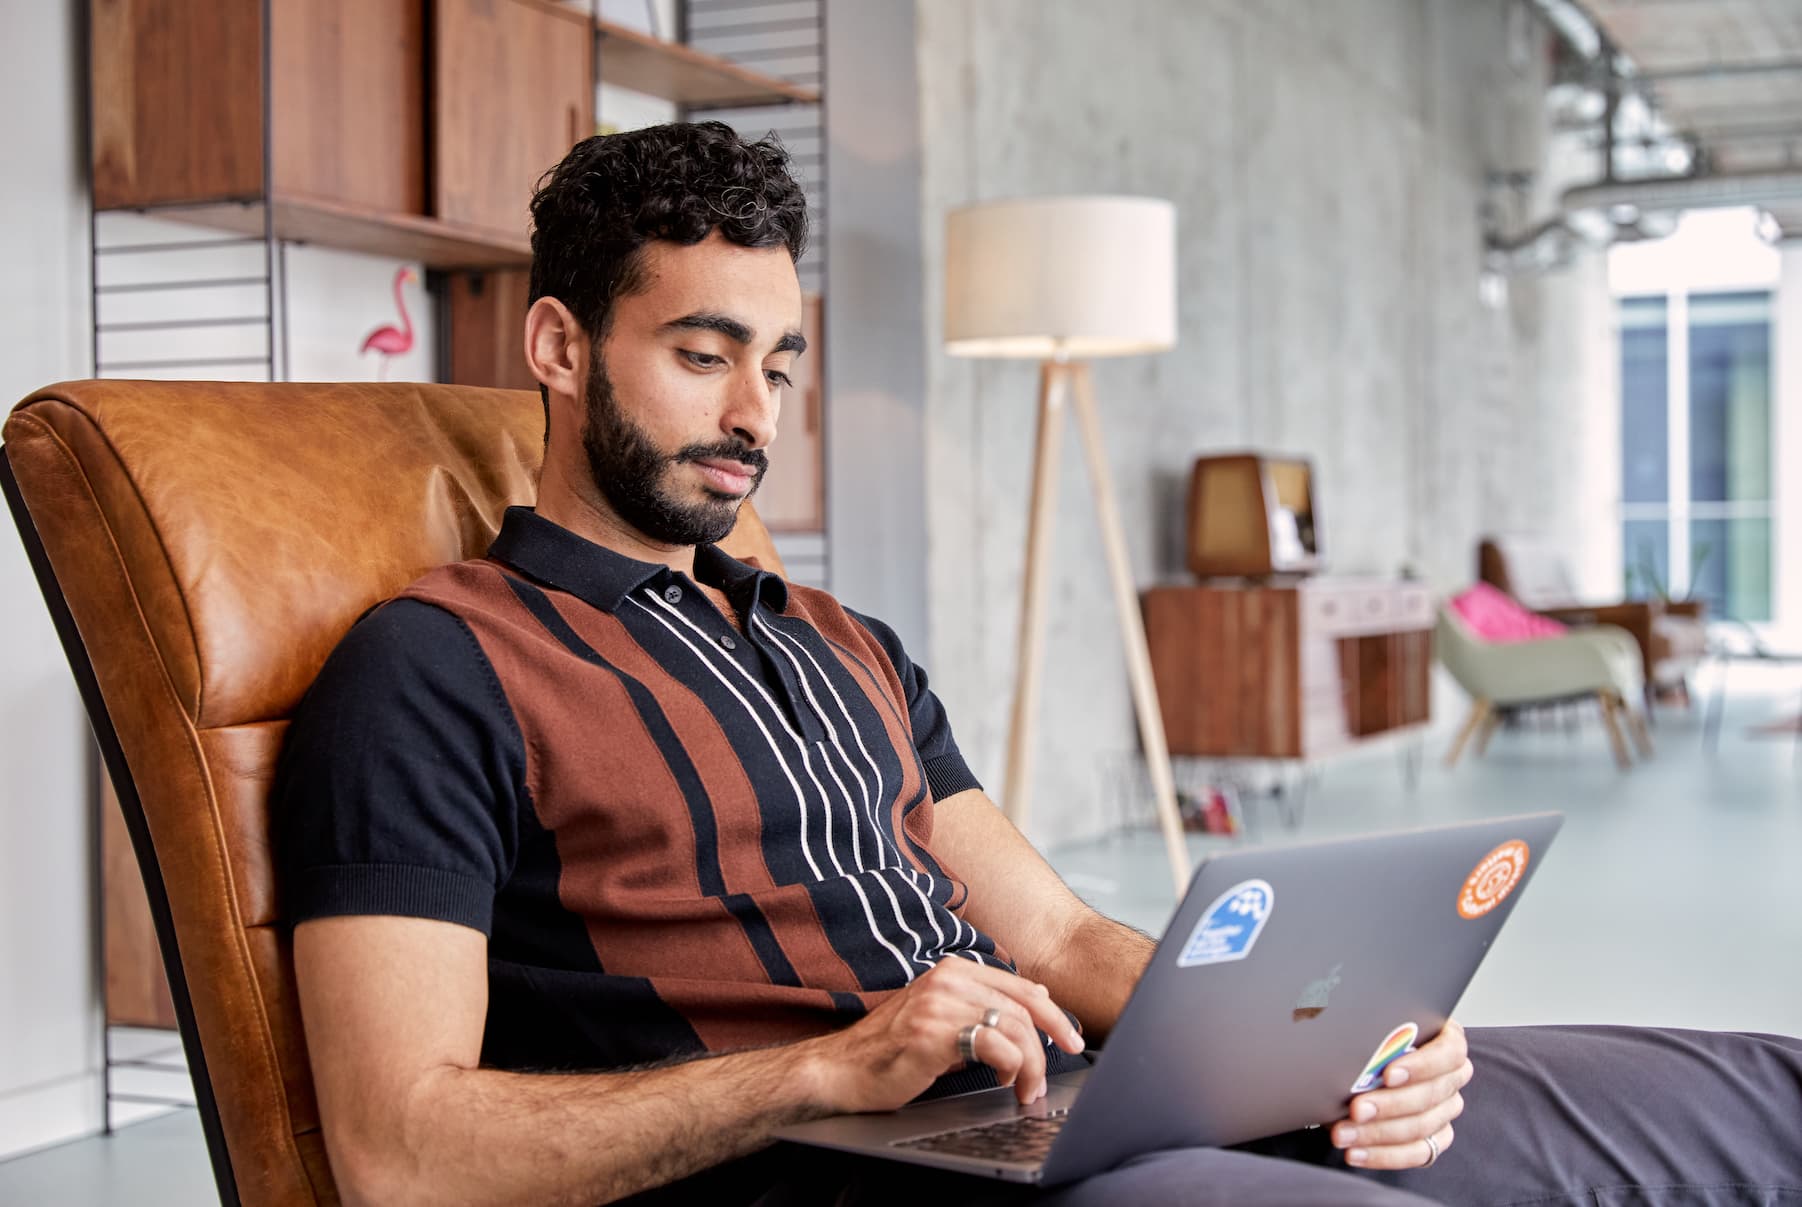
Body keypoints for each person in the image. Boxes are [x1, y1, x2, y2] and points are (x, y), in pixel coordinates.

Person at [274, 121, 1802, 1207]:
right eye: (701, 353)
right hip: (824, 1166)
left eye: (782, 360)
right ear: (556, 348)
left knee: (1760, 1097)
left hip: (1053, 1112)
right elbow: (401, 1153)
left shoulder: (836, 639)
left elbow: (1059, 940)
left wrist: (1330, 1040)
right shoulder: (434, 669)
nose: (756, 408)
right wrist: (820, 1073)